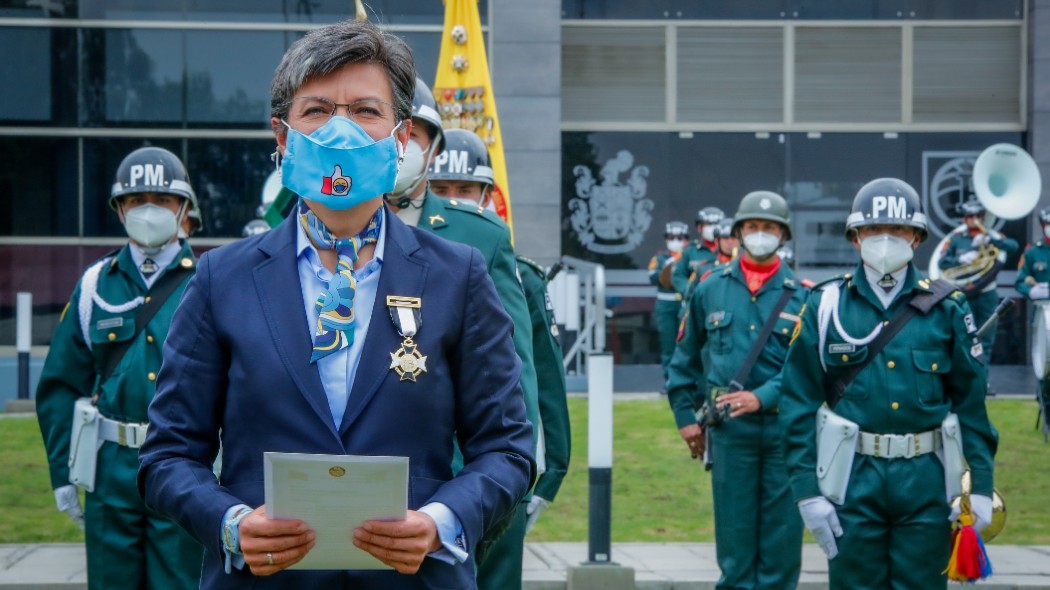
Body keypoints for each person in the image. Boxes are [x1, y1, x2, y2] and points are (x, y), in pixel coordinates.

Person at [136, 20, 535, 589]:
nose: (341, 129)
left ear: (399, 140)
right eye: (318, 110)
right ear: (282, 137)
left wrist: (441, 522)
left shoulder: (459, 276)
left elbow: (508, 449)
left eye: (366, 111)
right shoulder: (220, 279)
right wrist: (230, 524)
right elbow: (166, 457)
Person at [779, 178, 998, 589]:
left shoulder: (947, 308)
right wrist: (807, 490)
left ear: (916, 237)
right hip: (850, 478)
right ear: (855, 237)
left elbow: (971, 405)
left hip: (927, 480)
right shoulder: (826, 305)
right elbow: (797, 404)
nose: (884, 240)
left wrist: (981, 488)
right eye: (873, 230)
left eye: (896, 230)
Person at [35, 146, 204, 590]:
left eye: (162, 200)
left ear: (184, 207)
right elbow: (59, 383)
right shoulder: (95, 284)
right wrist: (63, 473)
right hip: (110, 468)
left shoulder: (209, 281)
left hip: (184, 464)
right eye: (135, 200)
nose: (148, 210)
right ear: (119, 209)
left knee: (181, 583)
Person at [424, 126, 571, 590]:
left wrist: (545, 472)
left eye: (466, 190)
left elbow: (534, 374)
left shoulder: (515, 271)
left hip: (492, 469)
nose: (456, 200)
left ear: (488, 196)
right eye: (442, 190)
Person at [666, 191, 807, 589]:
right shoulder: (710, 287)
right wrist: (685, 419)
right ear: (739, 232)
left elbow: (809, 372)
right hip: (730, 435)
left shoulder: (805, 296)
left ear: (783, 235)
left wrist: (763, 396)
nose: (760, 234)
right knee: (735, 550)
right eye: (752, 227)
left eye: (769, 228)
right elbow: (684, 360)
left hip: (786, 434)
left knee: (781, 552)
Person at [937, 198, 1018, 362]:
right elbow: (941, 262)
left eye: (978, 215)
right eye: (970, 215)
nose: (975, 219)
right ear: (964, 218)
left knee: (985, 341)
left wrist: (990, 240)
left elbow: (1013, 246)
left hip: (986, 295)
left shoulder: (992, 236)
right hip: (963, 294)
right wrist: (960, 259)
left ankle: (983, 383)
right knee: (962, 338)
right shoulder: (955, 238)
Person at [1015, 207, 1050, 439]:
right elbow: (1020, 282)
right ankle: (1047, 415)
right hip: (1043, 315)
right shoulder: (1033, 253)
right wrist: (1032, 290)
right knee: (1045, 369)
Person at [648, 221, 689, 380]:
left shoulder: (688, 256)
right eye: (672, 237)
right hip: (665, 304)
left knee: (685, 343)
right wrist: (667, 267)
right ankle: (669, 380)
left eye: (680, 237)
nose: (676, 240)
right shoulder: (659, 258)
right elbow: (652, 277)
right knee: (667, 345)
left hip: (684, 303)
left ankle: (685, 379)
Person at [671, 206, 724, 300]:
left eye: (716, 224)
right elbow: (678, 276)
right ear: (699, 227)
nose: (713, 228)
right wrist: (690, 291)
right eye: (709, 224)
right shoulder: (688, 250)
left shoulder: (731, 248)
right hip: (696, 300)